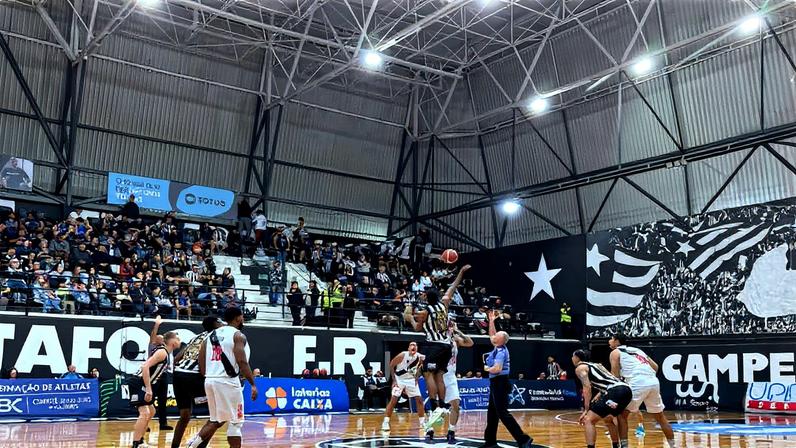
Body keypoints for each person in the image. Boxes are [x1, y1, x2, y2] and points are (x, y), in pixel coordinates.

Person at [403, 264, 471, 441]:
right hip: (446, 347)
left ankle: (436, 405)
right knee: (439, 373)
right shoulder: (445, 305)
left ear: (426, 297)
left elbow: (417, 326)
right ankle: (440, 408)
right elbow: (452, 287)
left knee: (427, 373)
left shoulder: (426, 311)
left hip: (433, 345)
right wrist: (461, 273)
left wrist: (409, 316)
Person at [186, 307, 258, 448]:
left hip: (210, 380)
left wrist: (212, 375)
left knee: (215, 420)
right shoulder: (238, 335)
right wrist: (253, 384)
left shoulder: (210, 336)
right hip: (227, 381)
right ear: (238, 318)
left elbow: (201, 363)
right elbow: (242, 361)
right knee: (236, 422)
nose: (243, 319)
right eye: (242, 317)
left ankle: (191, 446)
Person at [609, 333, 676, 448]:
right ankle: (673, 446)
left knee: (621, 415)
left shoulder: (615, 352)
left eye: (611, 338)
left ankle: (624, 446)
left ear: (616, 341)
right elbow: (655, 367)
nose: (609, 341)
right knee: (660, 417)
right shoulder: (637, 350)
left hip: (637, 381)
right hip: (653, 381)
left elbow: (614, 375)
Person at [482, 311, 534, 448]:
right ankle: (490, 442)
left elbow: (497, 369)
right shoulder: (497, 346)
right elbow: (492, 334)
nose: (493, 337)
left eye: (496, 336)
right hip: (496, 382)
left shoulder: (501, 351)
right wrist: (492, 321)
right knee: (492, 413)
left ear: (501, 340)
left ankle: (523, 439)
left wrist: (486, 368)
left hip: (500, 381)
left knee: (502, 413)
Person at [170, 316, 224, 448]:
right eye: (220, 322)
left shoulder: (196, 337)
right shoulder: (217, 338)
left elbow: (177, 357)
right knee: (220, 414)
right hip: (194, 376)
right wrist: (204, 376)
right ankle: (199, 445)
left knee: (185, 415)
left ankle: (174, 446)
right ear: (216, 324)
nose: (222, 324)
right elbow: (202, 358)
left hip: (178, 374)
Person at [129, 331, 181, 448]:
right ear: (172, 342)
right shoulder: (162, 352)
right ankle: (136, 443)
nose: (180, 341)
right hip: (138, 382)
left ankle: (140, 441)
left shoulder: (166, 352)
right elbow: (145, 366)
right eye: (178, 339)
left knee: (151, 411)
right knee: (145, 413)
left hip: (143, 382)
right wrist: (148, 388)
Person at [573, 349, 632, 448]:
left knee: (588, 420)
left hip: (615, 392)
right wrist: (598, 397)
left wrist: (586, 409)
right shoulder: (598, 365)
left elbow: (587, 388)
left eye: (573, 356)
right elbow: (609, 381)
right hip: (626, 390)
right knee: (608, 419)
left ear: (576, 358)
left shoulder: (580, 368)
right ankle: (616, 445)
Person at [381, 342, 426, 433]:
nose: (413, 346)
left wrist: (416, 378)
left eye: (415, 345)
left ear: (417, 348)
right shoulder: (403, 355)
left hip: (411, 380)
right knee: (393, 400)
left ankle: (422, 423)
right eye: (411, 345)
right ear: (408, 348)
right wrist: (394, 380)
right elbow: (391, 365)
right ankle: (385, 422)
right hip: (399, 379)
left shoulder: (420, 357)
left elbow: (420, 368)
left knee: (419, 400)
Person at [444, 323, 473, 443]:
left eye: (452, 325)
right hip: (439, 374)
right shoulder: (437, 337)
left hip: (450, 376)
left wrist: (458, 331)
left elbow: (470, 343)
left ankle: (451, 431)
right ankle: (429, 429)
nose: (451, 327)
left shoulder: (455, 340)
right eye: (449, 325)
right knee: (435, 407)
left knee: (456, 404)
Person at [148, 316, 172, 430]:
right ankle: (145, 423)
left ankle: (163, 424)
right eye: (159, 338)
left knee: (163, 401)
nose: (161, 339)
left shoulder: (165, 349)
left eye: (162, 338)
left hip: (164, 375)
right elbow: (153, 334)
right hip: (153, 375)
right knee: (149, 400)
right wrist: (157, 324)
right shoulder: (152, 347)